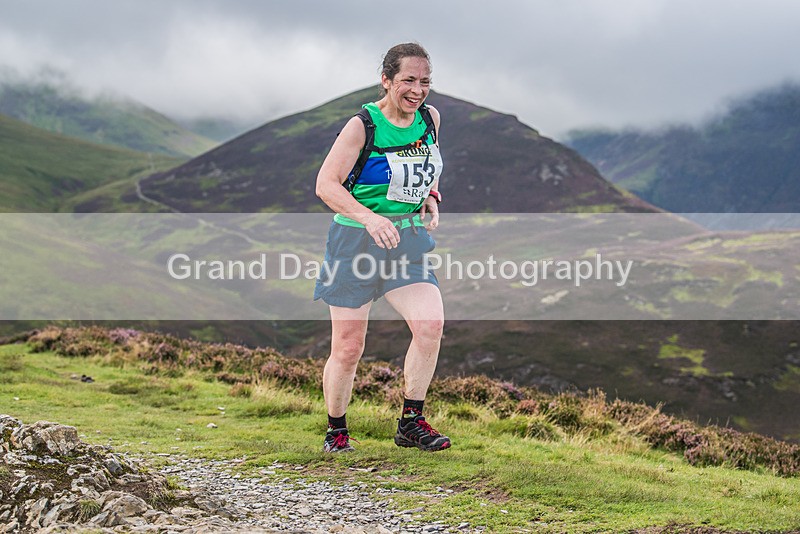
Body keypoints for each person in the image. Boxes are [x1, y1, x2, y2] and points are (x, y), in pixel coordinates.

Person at [314, 42, 450, 453]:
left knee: (430, 326)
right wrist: (370, 218)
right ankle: (336, 430)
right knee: (349, 347)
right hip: (355, 243)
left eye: (425, 81)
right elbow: (326, 185)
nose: (418, 89)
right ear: (387, 80)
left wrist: (427, 195)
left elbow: (422, 166)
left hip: (405, 241)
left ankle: (411, 422)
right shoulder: (363, 126)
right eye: (408, 80)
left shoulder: (430, 119)